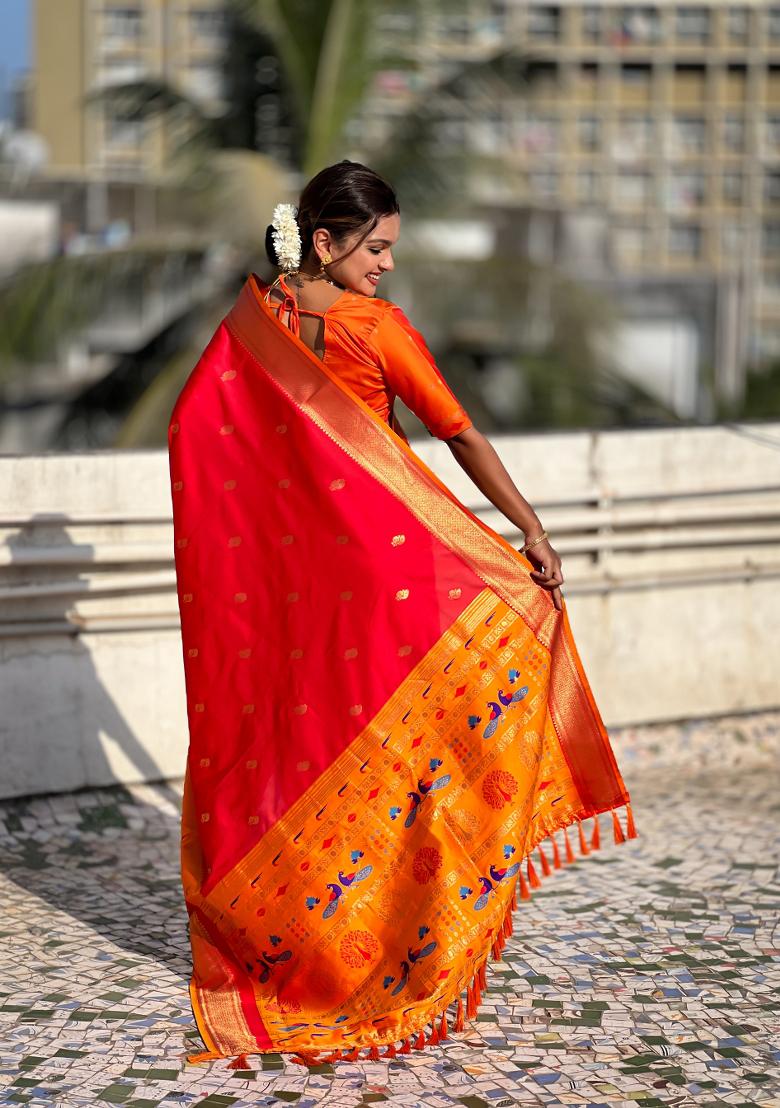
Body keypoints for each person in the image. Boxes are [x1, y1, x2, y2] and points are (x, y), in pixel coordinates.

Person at [168, 160, 636, 1070]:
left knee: (308, 754)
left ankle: (301, 947)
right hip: (393, 585)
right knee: (418, 754)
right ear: (324, 242)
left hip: (296, 597)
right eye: (374, 248)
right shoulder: (372, 329)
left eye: (389, 250)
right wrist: (528, 529)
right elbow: (456, 430)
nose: (385, 266)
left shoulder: (253, 326)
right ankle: (394, 949)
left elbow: (196, 427)